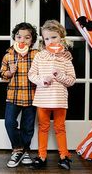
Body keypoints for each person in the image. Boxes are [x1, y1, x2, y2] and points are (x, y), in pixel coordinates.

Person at [28, 20, 76, 170]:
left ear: (61, 37)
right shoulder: (40, 57)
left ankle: (64, 156)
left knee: (60, 128)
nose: (50, 41)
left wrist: (59, 75)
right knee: (43, 128)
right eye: (47, 39)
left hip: (59, 100)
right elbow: (31, 74)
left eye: (53, 37)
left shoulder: (66, 58)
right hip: (42, 100)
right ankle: (42, 156)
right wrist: (42, 81)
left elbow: (72, 80)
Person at [0, 22, 38, 168]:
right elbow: (3, 75)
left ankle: (25, 150)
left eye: (27, 38)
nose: (22, 40)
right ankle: (18, 148)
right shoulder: (8, 55)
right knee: (9, 123)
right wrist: (10, 72)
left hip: (31, 96)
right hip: (13, 96)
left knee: (27, 127)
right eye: (19, 37)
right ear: (14, 38)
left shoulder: (37, 55)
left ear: (32, 41)